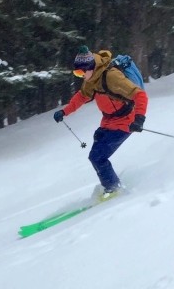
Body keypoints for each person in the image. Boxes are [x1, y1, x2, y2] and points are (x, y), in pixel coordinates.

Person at [53, 46, 148, 196]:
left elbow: (140, 95)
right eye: (77, 73)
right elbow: (81, 96)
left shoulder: (111, 76)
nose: (80, 76)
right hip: (108, 121)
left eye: (81, 72)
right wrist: (64, 111)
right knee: (97, 143)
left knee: (97, 157)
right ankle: (111, 183)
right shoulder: (91, 78)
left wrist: (140, 118)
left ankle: (114, 189)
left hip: (125, 121)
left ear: (90, 67)